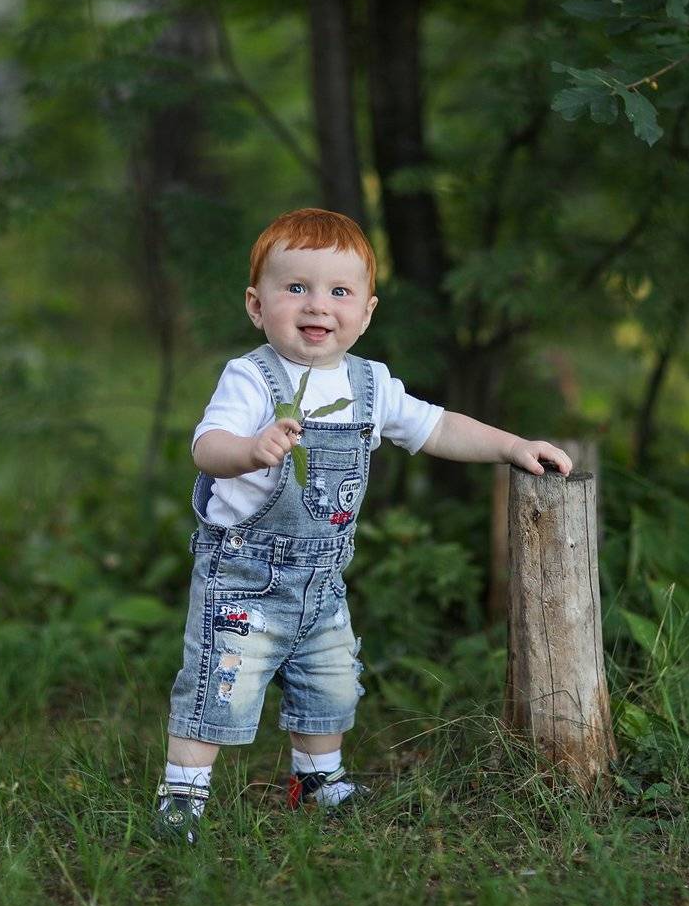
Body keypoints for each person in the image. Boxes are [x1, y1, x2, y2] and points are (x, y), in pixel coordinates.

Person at [156, 207, 571, 843]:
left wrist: (512, 446)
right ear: (257, 305)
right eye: (296, 287)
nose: (317, 305)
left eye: (339, 292)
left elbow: (438, 427)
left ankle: (316, 782)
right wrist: (250, 450)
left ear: (367, 312)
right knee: (219, 684)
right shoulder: (251, 377)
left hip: (322, 579)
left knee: (330, 685)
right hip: (243, 576)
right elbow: (206, 447)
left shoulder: (370, 385)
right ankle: (182, 798)